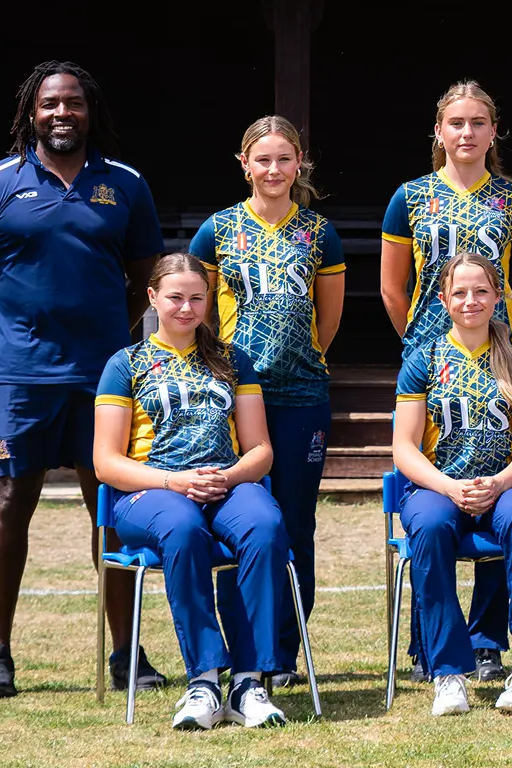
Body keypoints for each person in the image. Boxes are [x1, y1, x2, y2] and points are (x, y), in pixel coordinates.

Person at [0, 60, 166, 699]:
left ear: (90, 111)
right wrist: (6, 346)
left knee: (113, 512)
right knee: (11, 505)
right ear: (30, 114)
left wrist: (109, 342)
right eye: (50, 105)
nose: (61, 113)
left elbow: (145, 283)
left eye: (73, 103)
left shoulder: (124, 185)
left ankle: (127, 652)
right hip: (24, 381)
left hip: (106, 382)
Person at [382, 80, 512, 680]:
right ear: (439, 131)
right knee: (437, 500)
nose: (467, 132)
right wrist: (420, 344)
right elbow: (393, 289)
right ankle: (433, 647)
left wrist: (509, 345)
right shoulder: (412, 196)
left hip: (498, 359)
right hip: (434, 353)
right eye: (456, 122)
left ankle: (485, 640)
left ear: (493, 131)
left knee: (505, 497)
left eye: (479, 122)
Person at [91, 253, 292, 730]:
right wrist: (173, 481)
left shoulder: (232, 359)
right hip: (152, 489)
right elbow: (106, 461)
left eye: (197, 298)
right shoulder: (126, 364)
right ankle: (202, 680)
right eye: (176, 297)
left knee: (265, 525)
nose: (186, 308)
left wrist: (231, 475)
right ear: (153, 298)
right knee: (182, 529)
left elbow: (261, 449)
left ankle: (249, 681)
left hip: (226, 482)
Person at [188, 116, 345, 688]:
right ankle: (241, 649)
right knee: (243, 522)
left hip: (301, 397)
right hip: (232, 400)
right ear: (244, 164)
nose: (274, 170)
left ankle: (282, 652)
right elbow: (197, 318)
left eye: (285, 159)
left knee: (295, 525)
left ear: (299, 163)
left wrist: (293, 360)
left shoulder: (319, 233)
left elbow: (327, 322)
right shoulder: (218, 231)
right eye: (263, 160)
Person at [391, 252, 512, 717]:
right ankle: (448, 671)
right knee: (426, 526)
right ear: (443, 299)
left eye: (482, 291)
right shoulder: (423, 359)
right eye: (460, 292)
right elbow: (404, 448)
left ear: (498, 297)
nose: (471, 301)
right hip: (438, 487)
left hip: (505, 486)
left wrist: (499, 482)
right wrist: (448, 487)